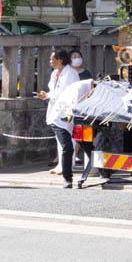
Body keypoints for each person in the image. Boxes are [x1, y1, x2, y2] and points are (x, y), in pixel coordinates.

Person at [37, 50, 80, 188]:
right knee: (61, 143)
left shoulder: (70, 74)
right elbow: (54, 92)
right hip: (55, 112)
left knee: (68, 143)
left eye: (52, 59)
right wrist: (47, 95)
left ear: (60, 60)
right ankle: (62, 166)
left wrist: (50, 96)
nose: (50, 61)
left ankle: (68, 171)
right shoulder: (55, 73)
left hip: (65, 112)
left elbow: (66, 94)